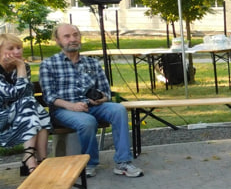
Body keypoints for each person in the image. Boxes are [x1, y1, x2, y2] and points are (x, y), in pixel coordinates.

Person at [39, 24, 143, 178]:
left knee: (118, 110)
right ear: (58, 40)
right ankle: (89, 163)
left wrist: (100, 99)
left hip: (91, 106)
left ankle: (123, 162)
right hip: (63, 110)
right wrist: (72, 106)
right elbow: (49, 97)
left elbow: (106, 92)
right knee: (87, 121)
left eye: (75, 35)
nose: (73, 39)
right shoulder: (48, 64)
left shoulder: (92, 63)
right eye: (67, 36)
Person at [0, 33, 51, 176]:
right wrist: (21, 66)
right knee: (32, 107)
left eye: (19, 48)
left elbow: (27, 94)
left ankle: (37, 160)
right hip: (2, 121)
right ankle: (33, 159)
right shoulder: (20, 65)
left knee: (36, 111)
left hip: (19, 117)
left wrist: (21, 68)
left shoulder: (22, 66)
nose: (17, 52)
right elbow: (13, 94)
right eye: (11, 48)